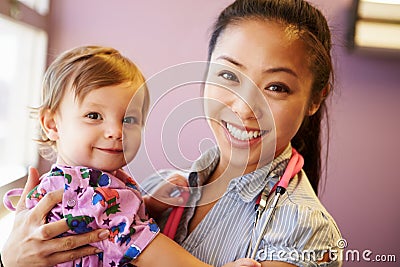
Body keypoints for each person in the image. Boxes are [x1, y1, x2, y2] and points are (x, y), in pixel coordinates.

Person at [1, 0, 343, 266]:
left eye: (277, 87)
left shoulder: (304, 232)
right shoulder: (162, 187)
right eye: (228, 76)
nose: (243, 107)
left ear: (315, 98)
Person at [1, 45, 259, 267]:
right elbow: (141, 247)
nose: (115, 131)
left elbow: (110, 226)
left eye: (129, 119)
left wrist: (151, 205)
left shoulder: (93, 181)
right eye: (94, 116)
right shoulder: (81, 191)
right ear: (52, 124)